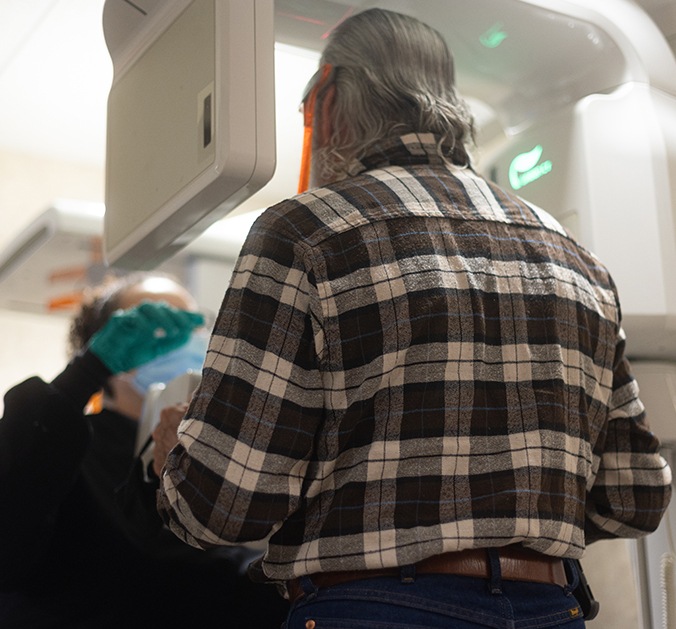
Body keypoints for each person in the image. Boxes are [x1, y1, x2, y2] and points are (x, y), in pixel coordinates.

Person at [156, 8, 672, 628]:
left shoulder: (305, 231)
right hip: (551, 610)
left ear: (332, 101)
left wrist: (172, 461)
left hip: (373, 608)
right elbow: (635, 498)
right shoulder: (575, 254)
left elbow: (225, 508)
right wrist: (512, 519)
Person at [0, 272, 288, 628]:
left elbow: (221, 578)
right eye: (156, 325)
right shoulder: (66, 447)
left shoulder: (211, 452)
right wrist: (88, 370)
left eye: (190, 327)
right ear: (109, 343)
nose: (181, 342)